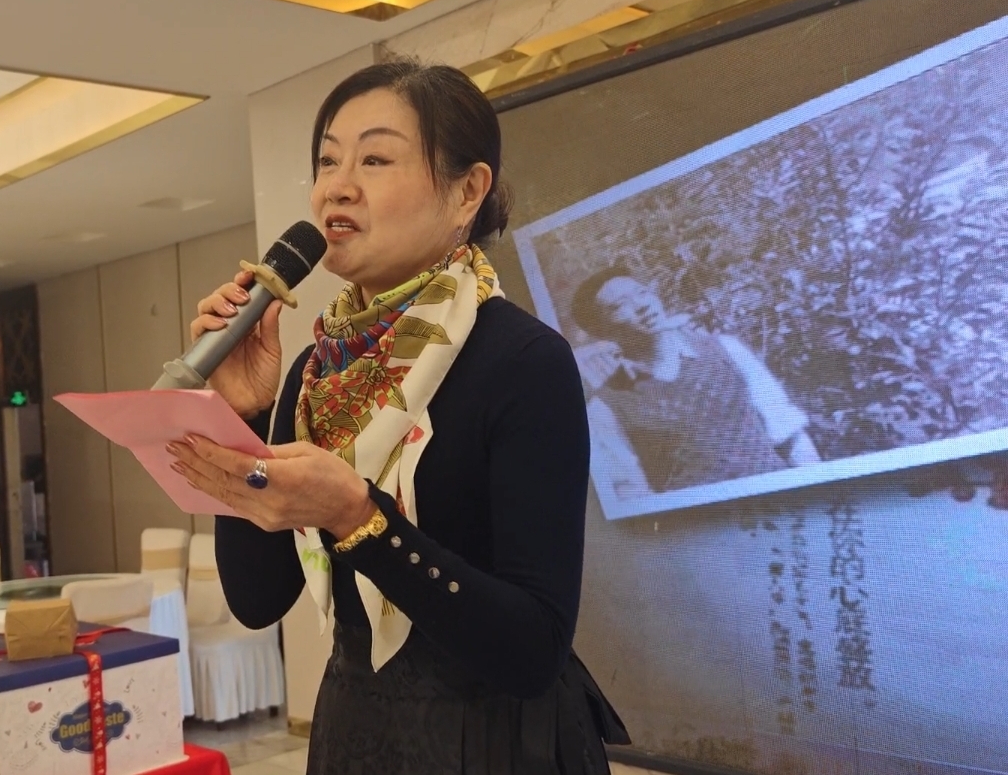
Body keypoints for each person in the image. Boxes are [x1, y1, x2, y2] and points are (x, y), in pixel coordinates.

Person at [166, 58, 629, 774]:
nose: (337, 186)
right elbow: (257, 600)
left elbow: (534, 649)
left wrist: (359, 519)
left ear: (466, 191)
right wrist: (245, 415)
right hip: (356, 731)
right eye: (328, 161)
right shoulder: (315, 373)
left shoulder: (522, 361)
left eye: (375, 159)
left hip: (496, 744)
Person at [570, 268, 821, 500]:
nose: (642, 305)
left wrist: (817, 491)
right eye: (619, 306)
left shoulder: (726, 349)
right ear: (601, 330)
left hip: (779, 497)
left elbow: (788, 431)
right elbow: (631, 493)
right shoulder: (606, 405)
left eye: (642, 293)